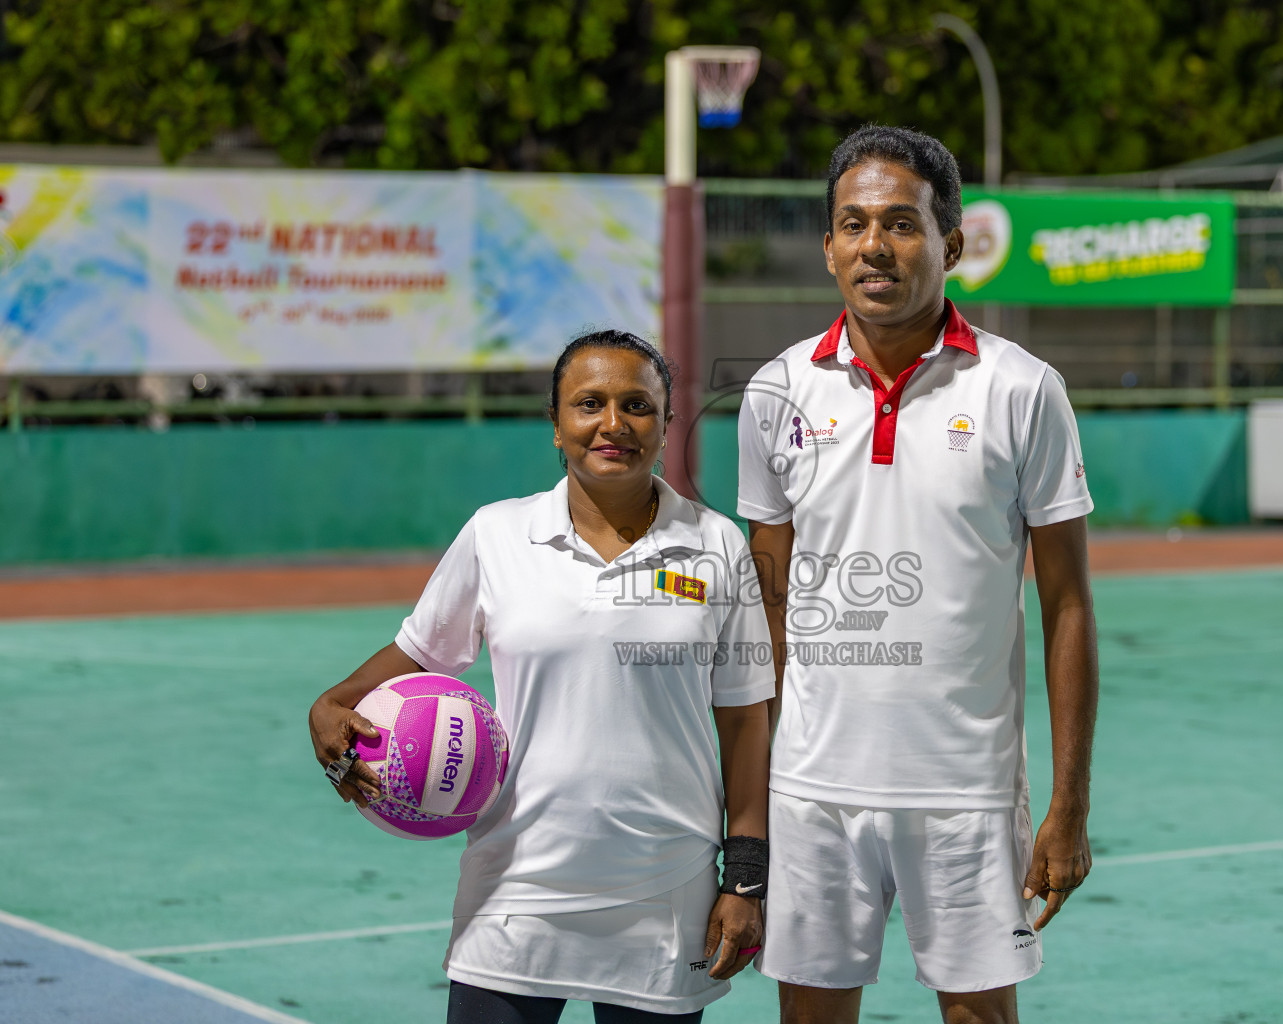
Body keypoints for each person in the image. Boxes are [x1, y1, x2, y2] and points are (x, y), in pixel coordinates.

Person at [736, 126, 1099, 1024]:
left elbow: (1067, 608)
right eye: (854, 225)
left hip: (966, 789)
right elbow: (766, 614)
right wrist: (747, 801)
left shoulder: (1022, 390)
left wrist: (1069, 806)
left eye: (902, 223)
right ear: (827, 249)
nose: (875, 246)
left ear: (952, 243)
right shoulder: (775, 394)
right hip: (813, 786)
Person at [310, 330, 775, 1023]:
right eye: (589, 404)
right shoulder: (497, 535)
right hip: (516, 887)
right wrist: (329, 708)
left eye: (637, 405)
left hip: (665, 889)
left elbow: (743, 723)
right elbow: (408, 660)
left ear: (667, 422)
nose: (612, 424)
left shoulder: (716, 544)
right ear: (556, 426)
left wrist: (746, 878)